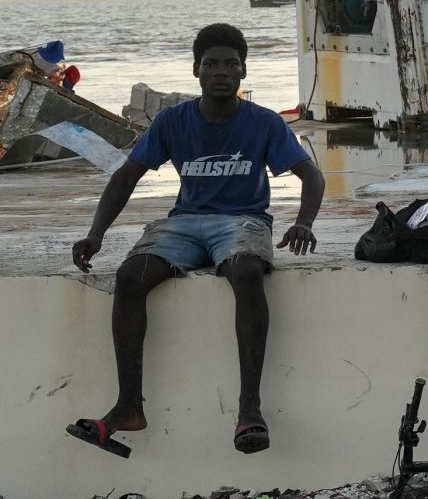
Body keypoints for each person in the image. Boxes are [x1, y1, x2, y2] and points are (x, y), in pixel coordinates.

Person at [67, 23, 323, 457]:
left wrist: (304, 222)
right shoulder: (173, 120)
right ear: (195, 71)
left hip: (242, 221)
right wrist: (96, 233)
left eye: (231, 64)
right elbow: (126, 176)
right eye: (211, 64)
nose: (221, 72)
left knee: (247, 272)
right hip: (184, 224)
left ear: (243, 72)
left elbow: (311, 175)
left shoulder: (264, 122)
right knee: (130, 276)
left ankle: (249, 409)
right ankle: (129, 407)